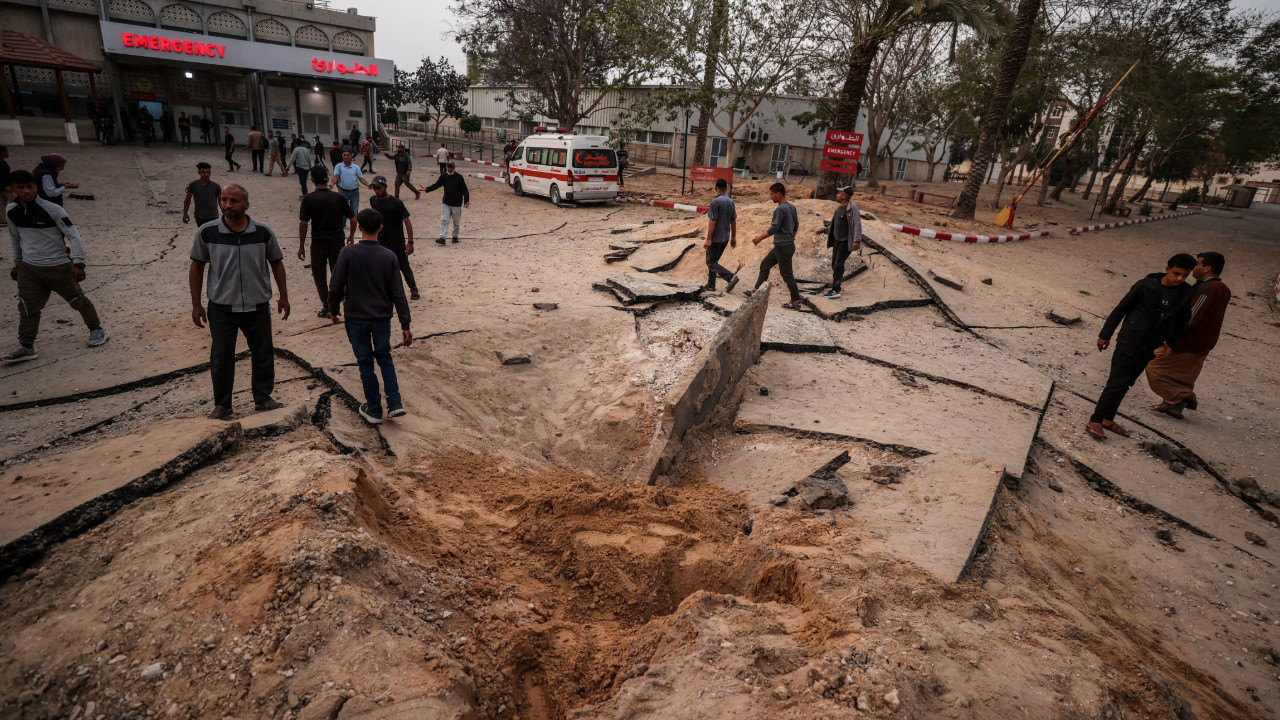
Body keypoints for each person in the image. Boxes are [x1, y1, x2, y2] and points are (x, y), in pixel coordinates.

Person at [188, 184, 289, 420]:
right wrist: (196, 304)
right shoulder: (207, 232)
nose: (227, 205)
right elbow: (197, 266)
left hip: (257, 306)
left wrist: (283, 296)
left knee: (263, 353)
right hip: (222, 308)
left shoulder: (263, 232)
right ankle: (222, 405)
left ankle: (262, 398)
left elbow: (276, 262)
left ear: (246, 204)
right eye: (223, 200)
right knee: (222, 356)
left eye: (233, 201)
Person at [1086, 254, 1197, 440]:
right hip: (1129, 340)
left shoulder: (1185, 293)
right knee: (1116, 382)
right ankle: (1095, 420)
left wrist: (1171, 342)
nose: (1180, 278)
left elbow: (1183, 320)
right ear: (1167, 269)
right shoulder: (1146, 286)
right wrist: (1105, 335)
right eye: (1176, 273)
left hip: (1151, 345)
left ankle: (1107, 419)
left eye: (1185, 275)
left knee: (1127, 383)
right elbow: (1120, 310)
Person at [3, 170, 107, 364]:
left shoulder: (53, 209)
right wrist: (17, 263)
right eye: (21, 187)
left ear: (36, 187)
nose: (26, 191)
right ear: (13, 189)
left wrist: (79, 263)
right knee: (27, 307)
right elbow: (15, 238)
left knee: (77, 301)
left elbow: (73, 235)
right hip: (29, 269)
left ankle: (96, 329)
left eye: (30, 186)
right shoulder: (11, 210)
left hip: (58, 267)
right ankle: (26, 346)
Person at [327, 208, 412, 424]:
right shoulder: (389, 256)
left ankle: (373, 408)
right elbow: (398, 293)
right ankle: (395, 403)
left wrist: (333, 309)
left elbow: (335, 286)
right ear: (380, 228)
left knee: (365, 362)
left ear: (360, 228)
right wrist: (405, 323)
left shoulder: (348, 253)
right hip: (382, 318)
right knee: (384, 357)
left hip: (356, 317)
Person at [1145, 252, 1231, 418]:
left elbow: (1191, 317)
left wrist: (1171, 335)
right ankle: (1174, 407)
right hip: (1205, 343)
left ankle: (1178, 398)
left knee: (1154, 366)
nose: (1194, 268)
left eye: (1198, 264)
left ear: (1207, 268)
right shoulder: (1223, 289)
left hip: (1190, 341)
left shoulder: (1208, 288)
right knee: (1182, 375)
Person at [300, 166, 357, 317]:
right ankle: (340, 303)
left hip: (318, 242)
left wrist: (301, 246)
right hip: (337, 241)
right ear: (327, 179)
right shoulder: (338, 197)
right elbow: (353, 219)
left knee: (319, 276)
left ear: (312, 180)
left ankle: (327, 306)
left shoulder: (308, 199)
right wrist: (351, 235)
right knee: (338, 274)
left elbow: (304, 223)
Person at [747, 182, 802, 309]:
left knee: (787, 274)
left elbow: (774, 228)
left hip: (783, 247)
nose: (770, 196)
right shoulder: (791, 207)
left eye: (772, 194)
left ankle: (796, 300)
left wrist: (759, 238)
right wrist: (790, 238)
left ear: (778, 194)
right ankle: (757, 291)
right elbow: (796, 226)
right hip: (783, 246)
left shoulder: (780, 209)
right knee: (765, 264)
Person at [367, 175, 419, 300]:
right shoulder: (373, 200)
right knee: (380, 267)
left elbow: (407, 222)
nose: (376, 191)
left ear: (385, 187)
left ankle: (413, 289)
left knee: (404, 266)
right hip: (380, 241)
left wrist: (410, 242)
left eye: (378, 188)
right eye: (374, 188)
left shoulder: (396, 203)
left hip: (397, 241)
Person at [812, 185, 861, 299]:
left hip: (845, 241)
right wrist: (825, 230)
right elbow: (835, 226)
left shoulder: (852, 208)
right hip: (837, 241)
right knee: (834, 264)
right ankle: (836, 286)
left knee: (839, 263)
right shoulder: (838, 209)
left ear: (844, 196)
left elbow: (857, 224)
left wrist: (856, 240)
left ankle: (836, 289)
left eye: (839, 193)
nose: (836, 195)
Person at [703, 177, 739, 293]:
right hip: (725, 238)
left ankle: (731, 277)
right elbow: (733, 221)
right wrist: (733, 237)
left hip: (716, 238)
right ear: (726, 188)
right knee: (714, 261)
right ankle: (711, 285)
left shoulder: (716, 202)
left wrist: (709, 239)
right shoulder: (731, 202)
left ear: (716, 188)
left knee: (710, 262)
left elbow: (713, 221)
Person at [421, 161, 469, 245]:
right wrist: (427, 189)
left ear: (454, 168)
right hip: (446, 202)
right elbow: (436, 185)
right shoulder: (444, 176)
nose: (449, 169)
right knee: (444, 220)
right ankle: (442, 238)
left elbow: (465, 189)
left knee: (456, 222)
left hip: (456, 203)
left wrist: (466, 201)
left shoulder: (459, 177)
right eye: (448, 167)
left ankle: (455, 236)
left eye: (451, 167)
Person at [183, 162, 222, 228]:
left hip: (213, 216)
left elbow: (221, 202)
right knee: (203, 233)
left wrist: (226, 215)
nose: (206, 174)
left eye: (208, 172)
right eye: (203, 172)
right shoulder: (193, 185)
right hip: (200, 217)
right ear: (199, 173)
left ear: (210, 173)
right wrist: (185, 213)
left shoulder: (216, 186)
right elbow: (187, 199)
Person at [330, 151, 369, 215]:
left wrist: (367, 184)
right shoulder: (338, 166)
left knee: (354, 211)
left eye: (348, 155)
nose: (346, 157)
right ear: (342, 156)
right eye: (344, 155)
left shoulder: (356, 167)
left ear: (351, 156)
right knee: (343, 211)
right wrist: (332, 183)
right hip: (343, 192)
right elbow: (336, 177)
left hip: (354, 192)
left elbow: (361, 178)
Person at [0, 146, 10, 227]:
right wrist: (5, 186)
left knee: (2, 203)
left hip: (3, 187)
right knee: (16, 201)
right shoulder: (1, 164)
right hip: (5, 187)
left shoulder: (2, 162)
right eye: (6, 151)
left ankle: (2, 219)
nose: (7, 153)